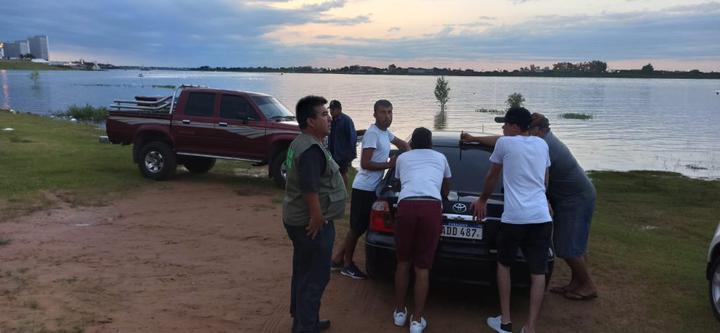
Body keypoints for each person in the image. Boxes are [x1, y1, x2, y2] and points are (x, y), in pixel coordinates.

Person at [462, 113, 598, 301]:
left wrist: (475, 138)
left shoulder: (545, 145)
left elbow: (503, 143)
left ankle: (588, 285)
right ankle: (577, 283)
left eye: (530, 129)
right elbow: (504, 141)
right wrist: (475, 138)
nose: (527, 133)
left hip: (575, 198)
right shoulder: (538, 143)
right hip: (565, 197)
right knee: (572, 243)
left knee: (567, 245)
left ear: (541, 130)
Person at [473, 107, 552, 333]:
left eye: (505, 124)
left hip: (515, 217)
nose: (502, 128)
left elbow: (492, 175)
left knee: (504, 264)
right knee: (538, 272)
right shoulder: (542, 144)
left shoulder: (504, 144)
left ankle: (505, 322)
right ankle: (531, 327)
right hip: (540, 217)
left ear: (515, 126)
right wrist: (542, 198)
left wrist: (482, 200)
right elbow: (545, 180)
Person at [283, 95, 346, 333]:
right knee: (316, 277)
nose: (329, 118)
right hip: (312, 224)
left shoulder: (303, 142)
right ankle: (305, 327)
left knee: (303, 271)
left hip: (299, 218)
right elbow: (310, 188)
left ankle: (304, 320)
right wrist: (318, 218)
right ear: (310, 121)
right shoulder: (309, 149)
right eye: (323, 114)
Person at [331, 99, 410, 279]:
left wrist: (413, 153)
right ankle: (347, 265)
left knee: (360, 227)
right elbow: (365, 163)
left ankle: (337, 259)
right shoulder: (372, 134)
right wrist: (388, 165)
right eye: (382, 112)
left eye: (390, 112)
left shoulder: (385, 133)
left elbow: (402, 144)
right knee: (356, 228)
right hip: (363, 187)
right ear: (374, 114)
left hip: (373, 187)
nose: (386, 116)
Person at [392, 127, 451, 333]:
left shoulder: (403, 158)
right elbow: (446, 186)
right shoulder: (441, 157)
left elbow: (399, 182)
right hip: (431, 206)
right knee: (422, 267)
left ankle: (400, 313)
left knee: (403, 262)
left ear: (413, 143)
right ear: (431, 143)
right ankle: (416, 321)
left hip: (406, 205)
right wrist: (441, 194)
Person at [327, 100, 357, 192]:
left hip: (343, 153)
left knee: (343, 172)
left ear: (340, 109)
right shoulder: (331, 121)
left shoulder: (346, 120)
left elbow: (352, 137)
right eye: (330, 109)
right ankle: (336, 190)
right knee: (333, 172)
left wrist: (350, 154)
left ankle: (344, 191)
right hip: (333, 152)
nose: (331, 111)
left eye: (333, 109)